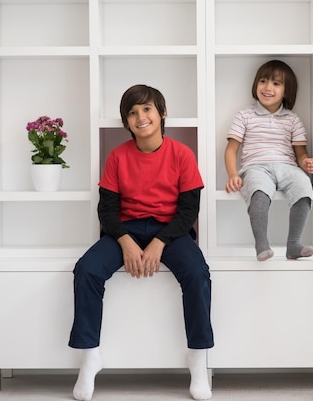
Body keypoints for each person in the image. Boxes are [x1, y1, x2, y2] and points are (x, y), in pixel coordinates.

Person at [68, 85, 214, 401]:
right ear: (127, 121)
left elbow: (189, 210)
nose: (140, 117)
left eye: (146, 109)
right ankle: (90, 355)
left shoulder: (181, 154)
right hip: (125, 229)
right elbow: (105, 209)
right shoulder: (118, 157)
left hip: (171, 231)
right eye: (132, 113)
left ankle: (198, 359)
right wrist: (125, 241)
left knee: (197, 274)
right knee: (87, 270)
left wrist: (160, 241)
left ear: (162, 114)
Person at [225, 59, 313, 261]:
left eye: (276, 84)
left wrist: (306, 163)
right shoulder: (245, 116)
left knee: (304, 186)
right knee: (259, 191)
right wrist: (233, 174)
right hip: (256, 167)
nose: (268, 88)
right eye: (263, 81)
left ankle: (293, 244)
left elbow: (300, 153)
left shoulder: (293, 119)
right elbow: (231, 150)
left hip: (288, 167)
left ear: (287, 91)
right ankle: (261, 244)